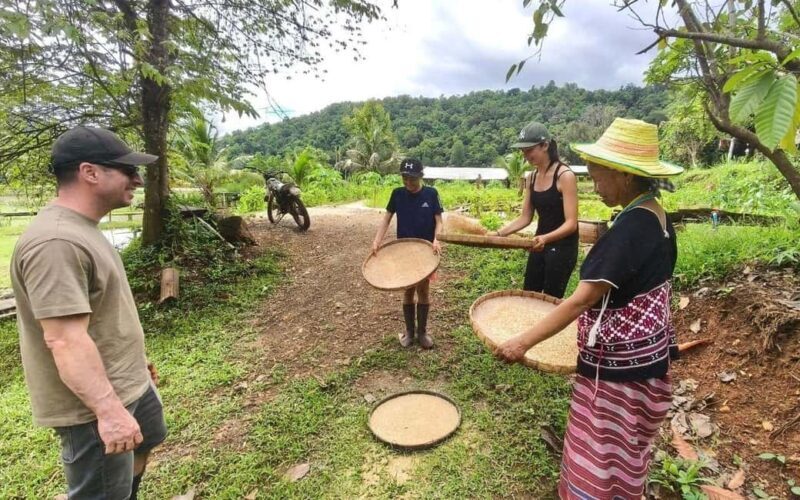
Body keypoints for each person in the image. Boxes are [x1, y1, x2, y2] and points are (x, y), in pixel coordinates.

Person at [494, 118, 684, 499]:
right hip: (647, 359)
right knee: (627, 448)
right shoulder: (656, 215)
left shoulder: (630, 229)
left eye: (598, 176)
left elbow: (580, 300)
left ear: (624, 175)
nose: (594, 185)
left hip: (619, 374)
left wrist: (521, 343)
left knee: (601, 449)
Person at [10, 126, 167, 499]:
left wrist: (135, 362)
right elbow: (64, 339)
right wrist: (109, 413)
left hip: (126, 381)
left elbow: (99, 312)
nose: (138, 179)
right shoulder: (56, 242)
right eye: (127, 170)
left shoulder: (84, 229)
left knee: (146, 442)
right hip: (93, 406)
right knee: (99, 492)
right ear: (89, 172)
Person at [494, 121, 578, 298]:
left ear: (545, 145)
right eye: (523, 151)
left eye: (530, 150)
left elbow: (571, 224)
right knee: (529, 294)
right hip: (539, 245)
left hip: (562, 247)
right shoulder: (531, 177)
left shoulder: (565, 176)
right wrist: (499, 233)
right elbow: (525, 217)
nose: (526, 155)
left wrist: (546, 238)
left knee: (550, 300)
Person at [372, 158, 443, 349]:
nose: (408, 183)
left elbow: (439, 221)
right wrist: (377, 241)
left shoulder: (431, 193)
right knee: (408, 290)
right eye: (405, 178)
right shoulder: (397, 194)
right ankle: (409, 332)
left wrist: (437, 239)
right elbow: (386, 219)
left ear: (420, 177)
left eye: (412, 179)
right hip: (403, 251)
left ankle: (422, 333)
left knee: (424, 290)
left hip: (426, 251)